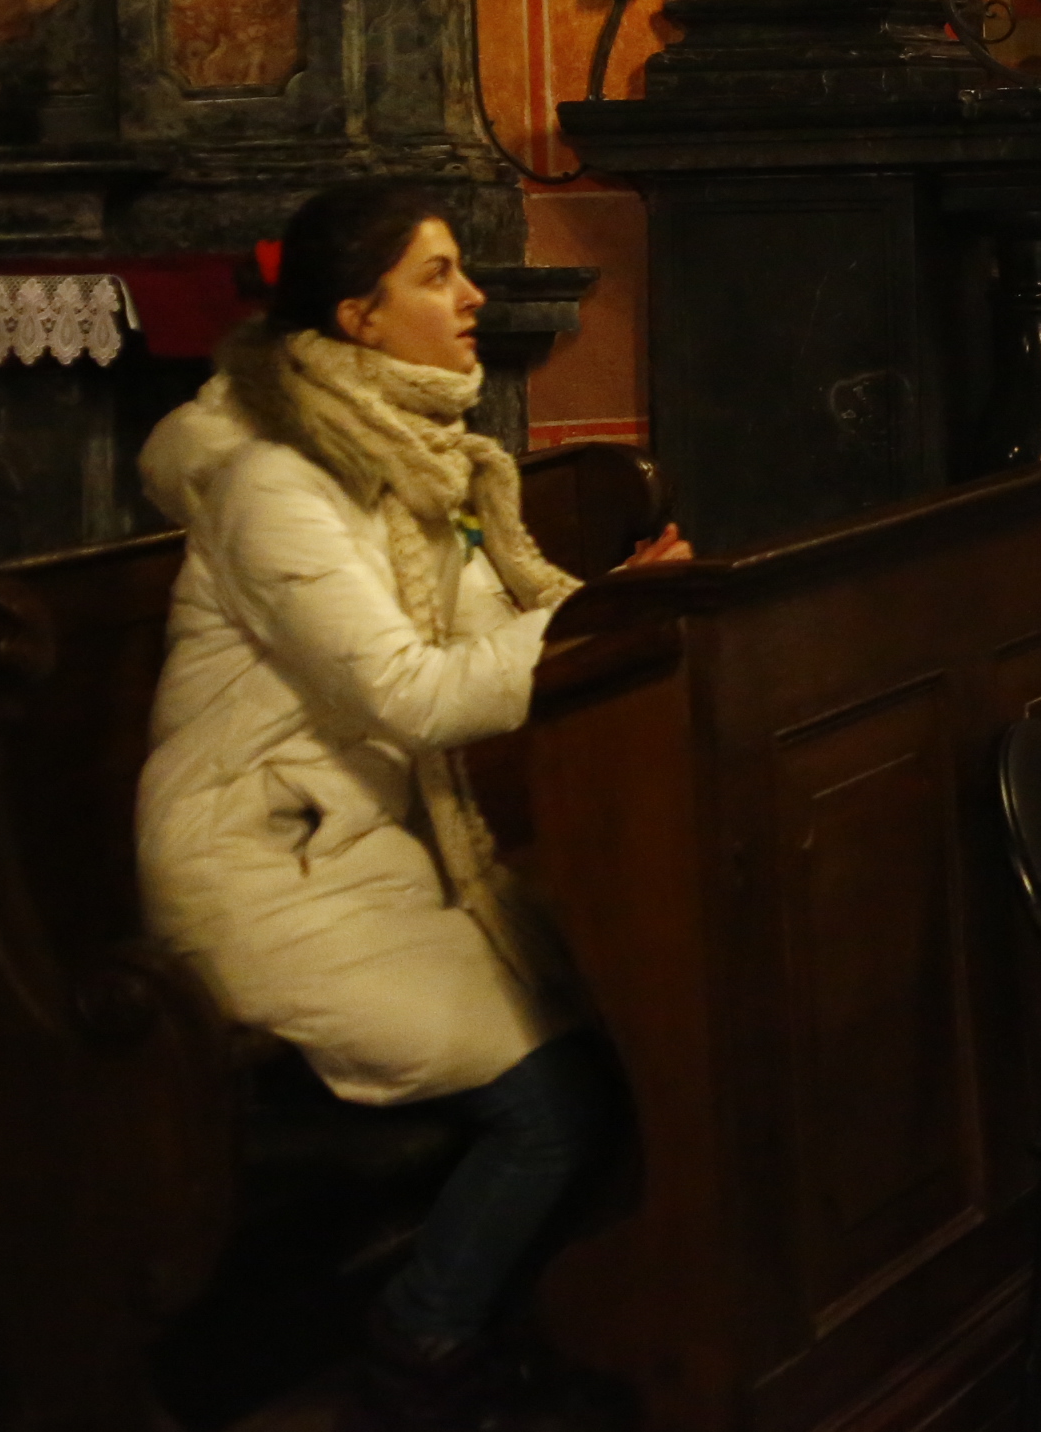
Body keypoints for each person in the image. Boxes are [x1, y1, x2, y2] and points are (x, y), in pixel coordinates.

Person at [137, 184, 688, 1430]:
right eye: (438, 274)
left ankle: (507, 1318)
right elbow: (410, 693)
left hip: (368, 855)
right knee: (555, 1102)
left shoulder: (407, 455)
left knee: (625, 1041)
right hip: (263, 869)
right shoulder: (278, 485)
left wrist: (617, 601)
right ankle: (424, 1339)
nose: (474, 295)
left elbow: (494, 623)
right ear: (358, 316)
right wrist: (598, 619)